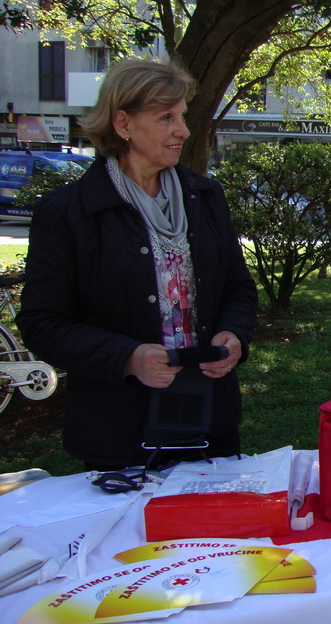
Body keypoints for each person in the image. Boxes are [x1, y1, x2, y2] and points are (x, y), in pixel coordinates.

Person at [16, 58, 257, 471]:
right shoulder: (68, 211)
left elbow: (238, 286)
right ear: (123, 124)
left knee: (214, 534)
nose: (183, 130)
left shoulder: (206, 196)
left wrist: (233, 335)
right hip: (118, 428)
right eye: (166, 117)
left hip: (209, 418)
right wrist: (127, 357)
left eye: (181, 115)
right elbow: (42, 322)